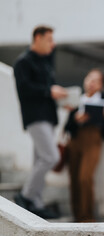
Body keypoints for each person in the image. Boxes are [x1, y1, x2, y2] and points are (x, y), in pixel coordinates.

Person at [13, 25, 68, 218]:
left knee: (40, 159)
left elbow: (45, 90)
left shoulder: (45, 63)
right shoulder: (23, 62)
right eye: (49, 40)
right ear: (38, 38)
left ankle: (35, 203)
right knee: (51, 157)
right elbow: (25, 88)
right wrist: (49, 91)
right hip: (36, 117)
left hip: (48, 117)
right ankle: (25, 196)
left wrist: (60, 99)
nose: (52, 45)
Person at [64, 68, 104, 222]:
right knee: (74, 178)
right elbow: (68, 126)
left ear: (101, 85)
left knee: (85, 177)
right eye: (89, 78)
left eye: (96, 80)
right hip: (76, 140)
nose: (91, 83)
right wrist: (76, 119)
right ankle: (77, 214)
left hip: (93, 140)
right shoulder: (78, 99)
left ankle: (87, 217)